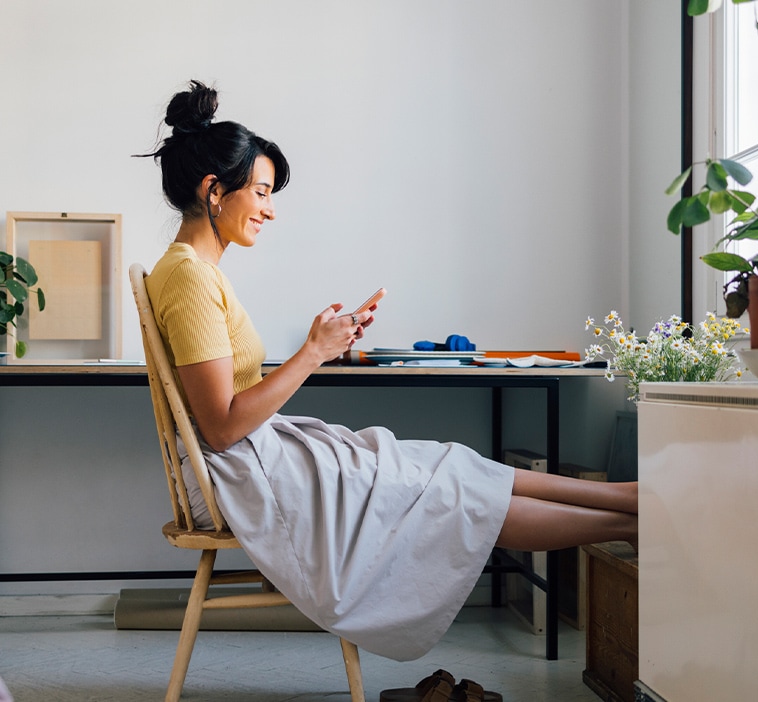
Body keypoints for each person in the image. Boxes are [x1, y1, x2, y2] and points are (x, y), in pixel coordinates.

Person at [138, 80, 637, 662]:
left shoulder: (195, 270)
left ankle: (629, 501)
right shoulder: (192, 277)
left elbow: (226, 407)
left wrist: (321, 342)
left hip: (256, 457)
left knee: (449, 465)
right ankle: (631, 521)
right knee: (449, 495)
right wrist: (313, 353)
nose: (271, 209)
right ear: (214, 191)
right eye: (263, 192)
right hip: (237, 472)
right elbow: (221, 428)